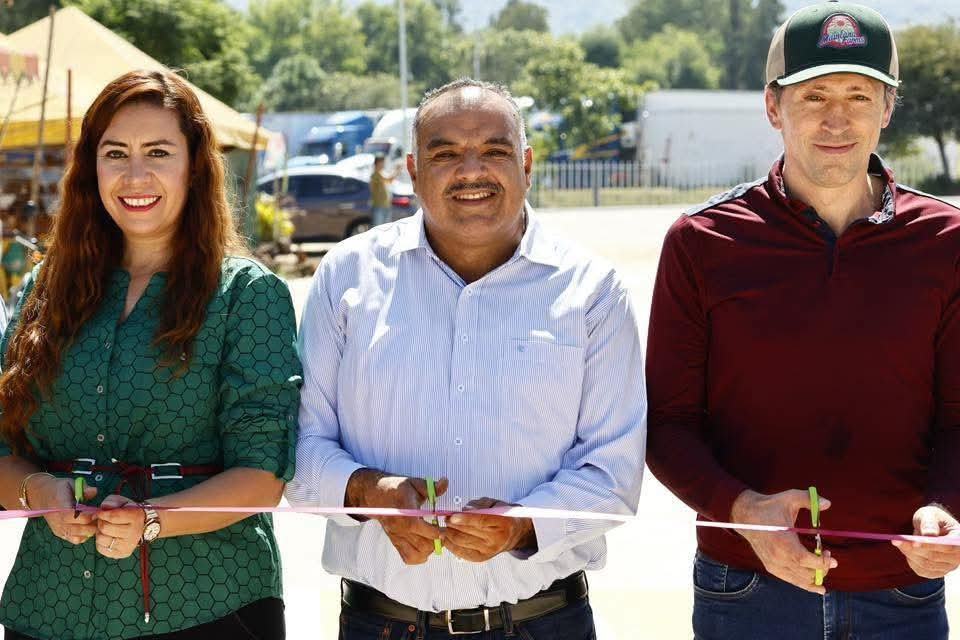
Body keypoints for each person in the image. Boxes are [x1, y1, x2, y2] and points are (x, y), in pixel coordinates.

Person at [286, 78, 646, 639]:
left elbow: (614, 471)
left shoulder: (592, 291)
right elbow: (299, 446)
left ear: (526, 162)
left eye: (495, 151)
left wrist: (524, 525)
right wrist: (365, 492)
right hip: (382, 623)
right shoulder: (347, 278)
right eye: (446, 153)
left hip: (540, 622)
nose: (471, 170)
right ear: (412, 169)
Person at [646, 2, 960, 638]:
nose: (837, 119)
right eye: (813, 95)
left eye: (859, 95)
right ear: (773, 107)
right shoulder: (702, 241)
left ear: (888, 107)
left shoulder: (948, 240)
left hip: (902, 593)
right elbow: (667, 425)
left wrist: (946, 506)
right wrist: (743, 510)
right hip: (745, 590)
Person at [0, 69, 302, 640]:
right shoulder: (44, 290)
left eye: (158, 152)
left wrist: (153, 520)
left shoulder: (247, 295)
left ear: (195, 166)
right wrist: (36, 490)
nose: (135, 175)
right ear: (92, 168)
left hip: (206, 608)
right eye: (116, 153)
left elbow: (263, 475)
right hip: (49, 605)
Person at [369, 155, 400, 227]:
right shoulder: (375, 174)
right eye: (382, 162)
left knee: (385, 228)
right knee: (378, 228)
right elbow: (389, 179)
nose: (383, 164)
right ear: (377, 163)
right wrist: (397, 170)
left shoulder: (381, 173)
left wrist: (397, 171)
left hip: (385, 205)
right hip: (379, 206)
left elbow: (390, 180)